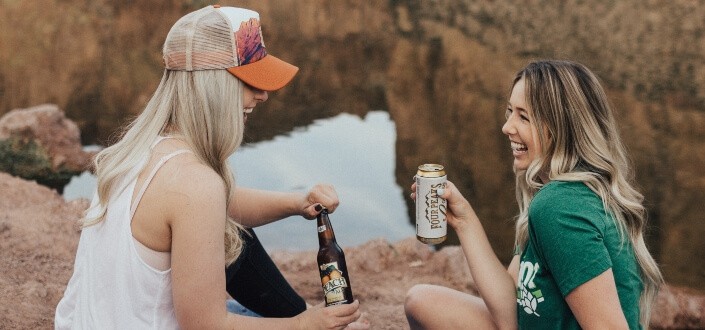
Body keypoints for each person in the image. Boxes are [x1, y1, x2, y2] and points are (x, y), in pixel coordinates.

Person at [55, 5, 366, 329]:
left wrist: (297, 202)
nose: (263, 95)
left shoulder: (142, 150)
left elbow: (222, 204)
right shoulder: (195, 184)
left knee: (232, 231)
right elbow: (206, 326)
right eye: (250, 82)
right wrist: (306, 325)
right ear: (212, 86)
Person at [404, 60, 663, 329]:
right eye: (510, 112)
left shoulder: (559, 208)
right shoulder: (556, 197)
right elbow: (510, 313)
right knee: (421, 301)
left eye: (523, 117)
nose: (507, 127)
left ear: (560, 130)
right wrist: (464, 220)